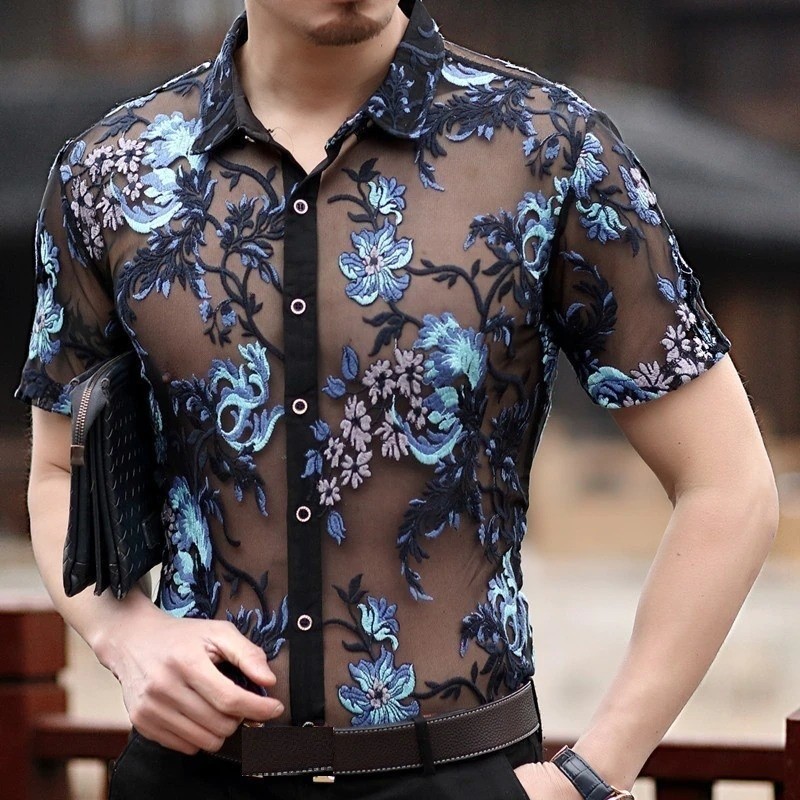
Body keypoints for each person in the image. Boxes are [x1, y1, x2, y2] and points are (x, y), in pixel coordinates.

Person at [15, 0, 778, 798]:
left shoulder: (549, 147)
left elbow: (729, 486)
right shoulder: (109, 171)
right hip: (190, 779)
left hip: (462, 775)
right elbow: (59, 473)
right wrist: (124, 633)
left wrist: (590, 776)